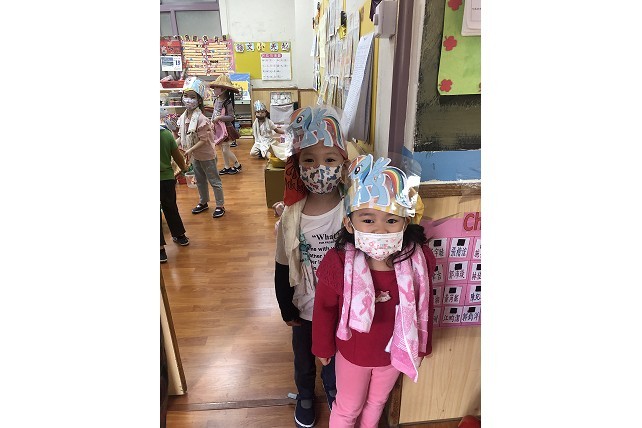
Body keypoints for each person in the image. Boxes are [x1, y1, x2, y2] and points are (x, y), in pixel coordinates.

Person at [311, 154, 436, 428]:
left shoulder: (417, 262)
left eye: (391, 220)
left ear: (406, 222)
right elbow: (324, 309)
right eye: (368, 221)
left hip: (392, 355)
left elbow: (424, 306)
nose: (380, 230)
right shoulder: (338, 263)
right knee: (348, 407)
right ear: (349, 223)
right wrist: (322, 347)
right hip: (353, 355)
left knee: (377, 402)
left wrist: (422, 346)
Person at [274, 106, 350, 428]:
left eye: (330, 159)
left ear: (343, 162)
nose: (320, 168)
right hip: (305, 305)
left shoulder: (353, 210)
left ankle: (333, 389)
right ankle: (305, 393)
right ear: (297, 164)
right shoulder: (291, 218)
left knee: (336, 354)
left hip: (342, 305)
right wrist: (286, 307)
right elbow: (282, 264)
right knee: (304, 355)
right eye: (309, 159)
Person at [177, 77, 226, 218]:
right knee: (200, 180)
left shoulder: (201, 119)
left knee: (214, 180)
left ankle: (220, 205)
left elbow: (204, 140)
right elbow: (182, 136)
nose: (188, 100)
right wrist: (173, 144)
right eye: (186, 96)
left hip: (206, 155)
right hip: (195, 156)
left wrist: (189, 149)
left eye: (192, 97)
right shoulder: (183, 117)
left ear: (199, 101)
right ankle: (203, 202)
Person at [160, 108, 189, 263]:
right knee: (170, 207)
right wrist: (184, 168)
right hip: (166, 178)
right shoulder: (165, 134)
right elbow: (177, 156)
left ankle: (160, 249)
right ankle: (179, 235)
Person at [209, 74, 242, 175]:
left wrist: (219, 118)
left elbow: (231, 117)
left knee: (225, 150)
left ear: (223, 89)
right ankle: (227, 166)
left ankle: (237, 164)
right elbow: (214, 112)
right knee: (223, 149)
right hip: (218, 128)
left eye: (216, 87)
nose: (214, 89)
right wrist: (212, 121)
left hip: (226, 129)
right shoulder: (216, 100)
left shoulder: (228, 102)